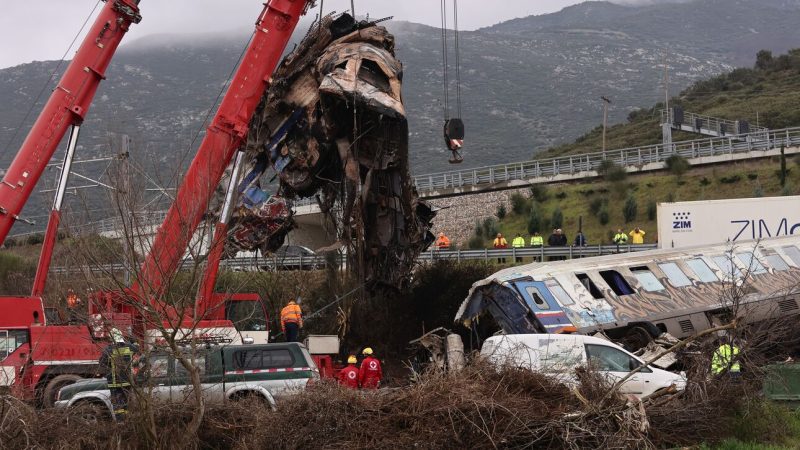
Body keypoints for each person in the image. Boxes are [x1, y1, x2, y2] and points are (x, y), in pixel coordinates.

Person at [99, 328, 139, 421]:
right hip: (127, 381)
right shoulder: (130, 347)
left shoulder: (108, 349)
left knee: (118, 405)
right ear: (121, 337)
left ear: (111, 338)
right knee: (127, 403)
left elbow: (102, 363)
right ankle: (128, 421)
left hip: (114, 383)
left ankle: (121, 423)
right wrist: (133, 341)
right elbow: (137, 349)